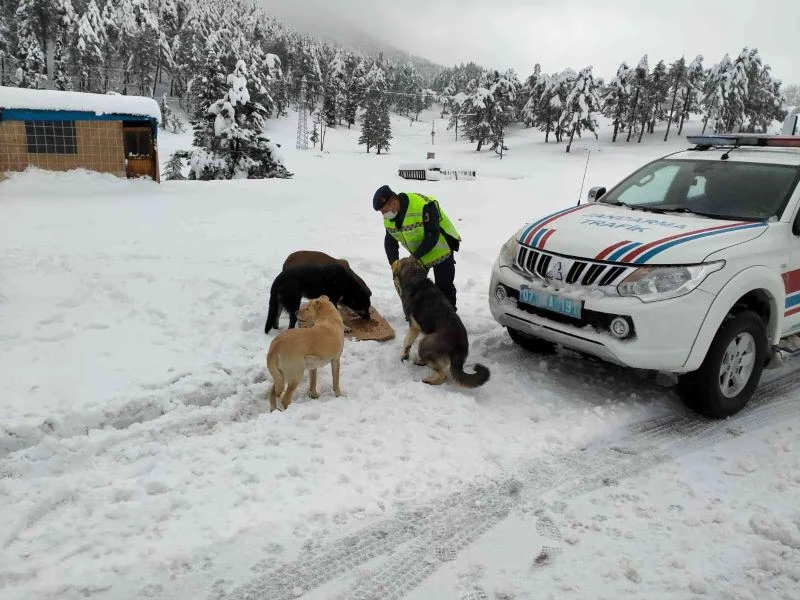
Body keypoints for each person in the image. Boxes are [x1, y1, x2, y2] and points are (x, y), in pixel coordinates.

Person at [372, 184, 461, 311]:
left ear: (393, 202)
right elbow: (390, 242)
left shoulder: (423, 205)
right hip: (420, 255)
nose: (383, 215)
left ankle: (449, 316)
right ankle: (417, 316)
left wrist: (414, 257)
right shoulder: (389, 220)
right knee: (413, 287)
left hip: (441, 250)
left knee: (444, 287)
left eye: (384, 211)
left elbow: (432, 235)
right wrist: (394, 263)